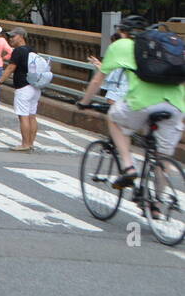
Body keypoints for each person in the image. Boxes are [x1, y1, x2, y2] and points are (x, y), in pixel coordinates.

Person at [77, 15, 185, 192]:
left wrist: (84, 102)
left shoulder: (121, 45)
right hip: (175, 106)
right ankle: (156, 206)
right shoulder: (160, 49)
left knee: (114, 118)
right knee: (161, 159)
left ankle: (129, 167)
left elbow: (98, 80)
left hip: (141, 102)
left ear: (122, 32)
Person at [0, 28, 39, 152]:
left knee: (23, 116)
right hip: (35, 87)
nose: (11, 39)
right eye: (10, 37)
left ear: (21, 36)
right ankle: (31, 143)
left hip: (23, 87)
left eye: (13, 36)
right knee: (32, 116)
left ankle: (25, 144)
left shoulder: (18, 51)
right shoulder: (32, 50)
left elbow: (11, 67)